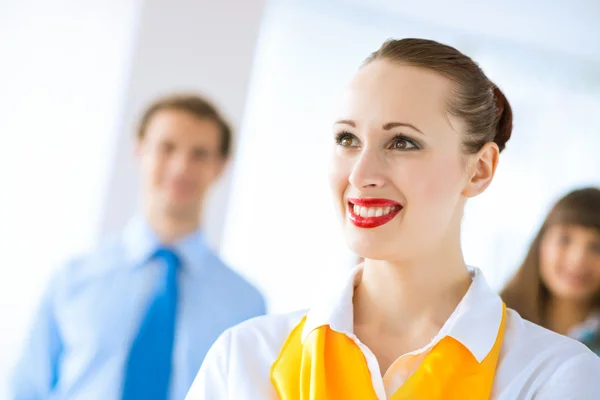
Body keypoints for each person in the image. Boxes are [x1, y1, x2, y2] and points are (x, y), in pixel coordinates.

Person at [186, 39, 600, 399]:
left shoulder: (554, 376)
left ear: (479, 170)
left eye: (402, 142)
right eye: (347, 139)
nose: (360, 175)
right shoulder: (243, 358)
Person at [10, 93, 266, 400]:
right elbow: (26, 391)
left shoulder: (246, 305)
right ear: (140, 149)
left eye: (200, 154)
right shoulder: (72, 279)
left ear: (221, 166)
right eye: (167, 148)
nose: (181, 166)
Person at [502, 187, 600, 355]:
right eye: (564, 239)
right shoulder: (496, 320)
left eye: (596, 247)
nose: (578, 259)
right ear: (541, 242)